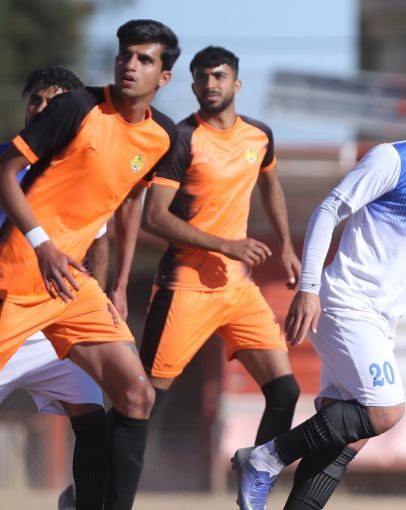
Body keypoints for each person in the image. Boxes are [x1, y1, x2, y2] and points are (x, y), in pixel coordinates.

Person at [230, 64, 406, 510]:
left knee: (349, 435)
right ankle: (264, 458)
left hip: (383, 318)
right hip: (345, 300)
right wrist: (309, 287)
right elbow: (329, 209)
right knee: (385, 411)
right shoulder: (393, 158)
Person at [0, 19, 181, 510]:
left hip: (69, 288)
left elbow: (128, 201)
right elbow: (5, 171)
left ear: (164, 76)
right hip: (17, 278)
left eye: (144, 58)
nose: (130, 64)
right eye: (125, 54)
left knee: (136, 394)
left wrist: (118, 284)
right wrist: (41, 244)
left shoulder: (163, 136)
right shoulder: (77, 107)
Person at [139, 46, 300, 447]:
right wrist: (225, 244)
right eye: (202, 77)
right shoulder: (181, 138)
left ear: (236, 84)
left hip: (237, 289)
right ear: (194, 86)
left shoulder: (259, 136)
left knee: (285, 391)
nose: (210, 83)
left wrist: (286, 245)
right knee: (143, 402)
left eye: (219, 76)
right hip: (184, 287)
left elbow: (270, 184)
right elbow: (154, 217)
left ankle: (256, 473)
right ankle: (96, 479)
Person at [0, 65, 109, 510]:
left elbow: (100, 238)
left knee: (95, 424)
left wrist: (99, 295)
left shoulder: (85, 168)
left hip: (55, 331)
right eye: (35, 100)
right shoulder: (6, 163)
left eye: (54, 102)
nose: (41, 109)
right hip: (8, 317)